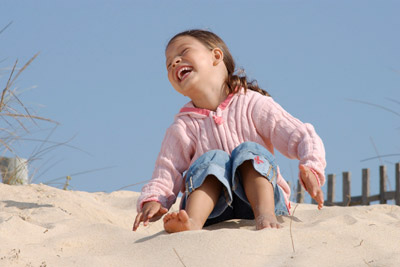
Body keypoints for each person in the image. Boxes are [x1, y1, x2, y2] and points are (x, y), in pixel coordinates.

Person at [133, 29, 326, 233]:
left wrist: (312, 167)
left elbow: (301, 135)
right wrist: (153, 199)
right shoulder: (183, 125)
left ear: (216, 56)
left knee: (249, 150)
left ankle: (266, 216)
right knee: (213, 159)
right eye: (169, 63)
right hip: (211, 211)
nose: (174, 62)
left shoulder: (253, 103)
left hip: (263, 202)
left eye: (183, 52)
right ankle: (192, 223)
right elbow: (166, 170)